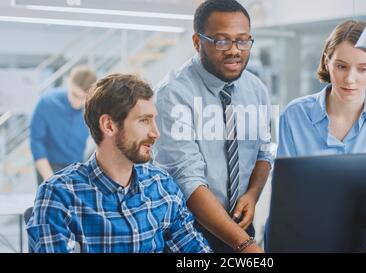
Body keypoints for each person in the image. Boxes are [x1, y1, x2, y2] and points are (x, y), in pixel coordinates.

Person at [26, 74, 211, 253]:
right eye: (144, 121)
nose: (155, 133)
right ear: (109, 125)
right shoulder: (59, 196)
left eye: (154, 120)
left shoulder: (163, 187)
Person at [153, 0, 273, 253]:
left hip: (240, 229)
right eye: (222, 41)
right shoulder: (173, 94)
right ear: (197, 42)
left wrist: (252, 194)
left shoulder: (256, 89)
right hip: (187, 234)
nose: (235, 50)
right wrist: (246, 246)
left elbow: (263, 152)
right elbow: (187, 178)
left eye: (243, 40)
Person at [277, 20, 366, 157]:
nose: (349, 79)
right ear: (327, 62)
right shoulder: (294, 114)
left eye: (363, 69)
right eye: (341, 66)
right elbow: (286, 177)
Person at [30, 64, 97, 185]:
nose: (78, 101)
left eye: (83, 98)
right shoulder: (47, 103)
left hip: (75, 168)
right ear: (69, 82)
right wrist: (50, 180)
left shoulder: (93, 109)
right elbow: (36, 142)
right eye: (75, 94)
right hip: (48, 166)